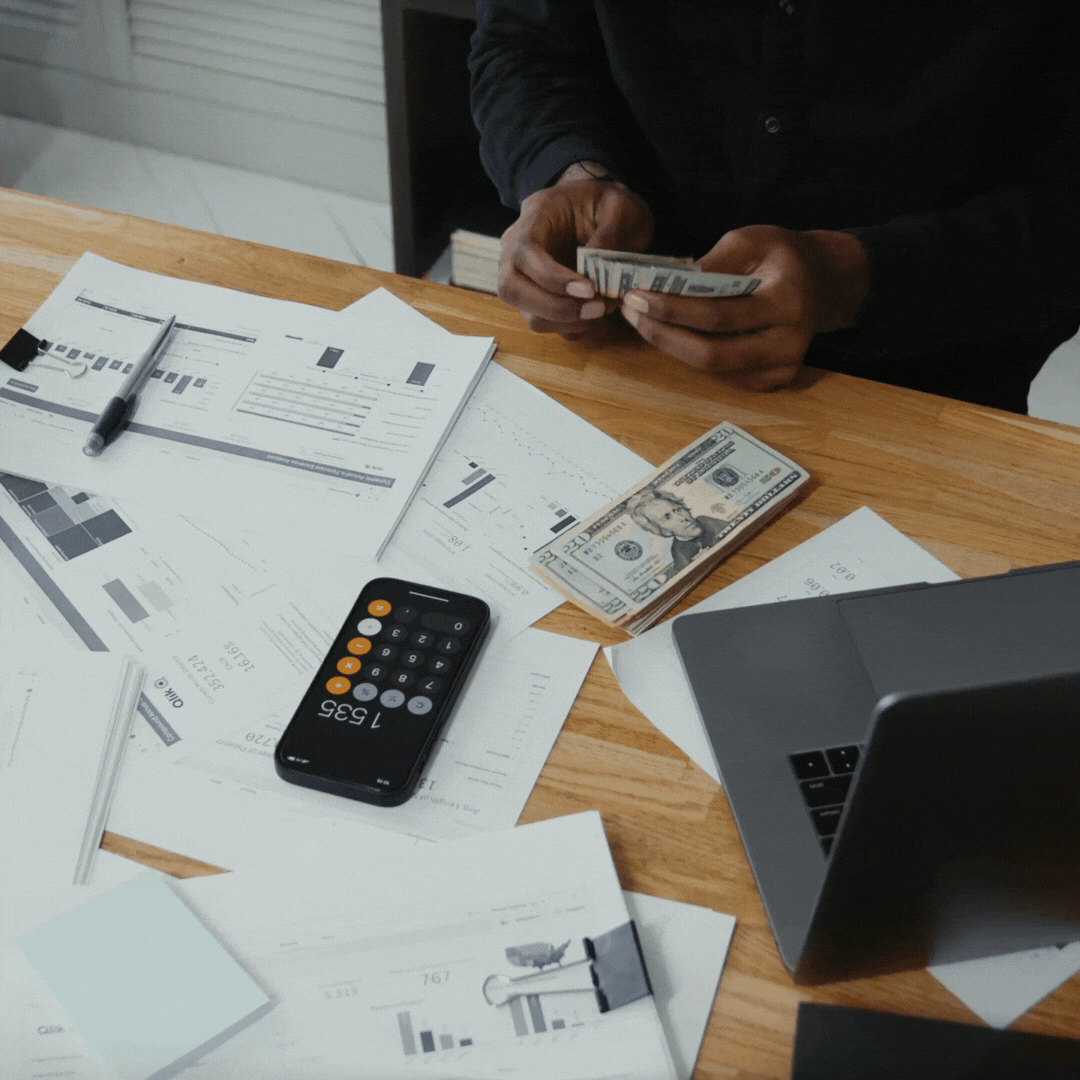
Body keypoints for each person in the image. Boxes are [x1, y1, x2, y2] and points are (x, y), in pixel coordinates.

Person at [468, 3, 1080, 414]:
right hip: (615, 353)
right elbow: (524, 40)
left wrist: (853, 279)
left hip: (919, 392)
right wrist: (570, 167)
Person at [627, 490, 725, 574]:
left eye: (678, 510)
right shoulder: (679, 553)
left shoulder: (704, 520)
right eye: (667, 517)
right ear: (664, 531)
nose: (682, 518)